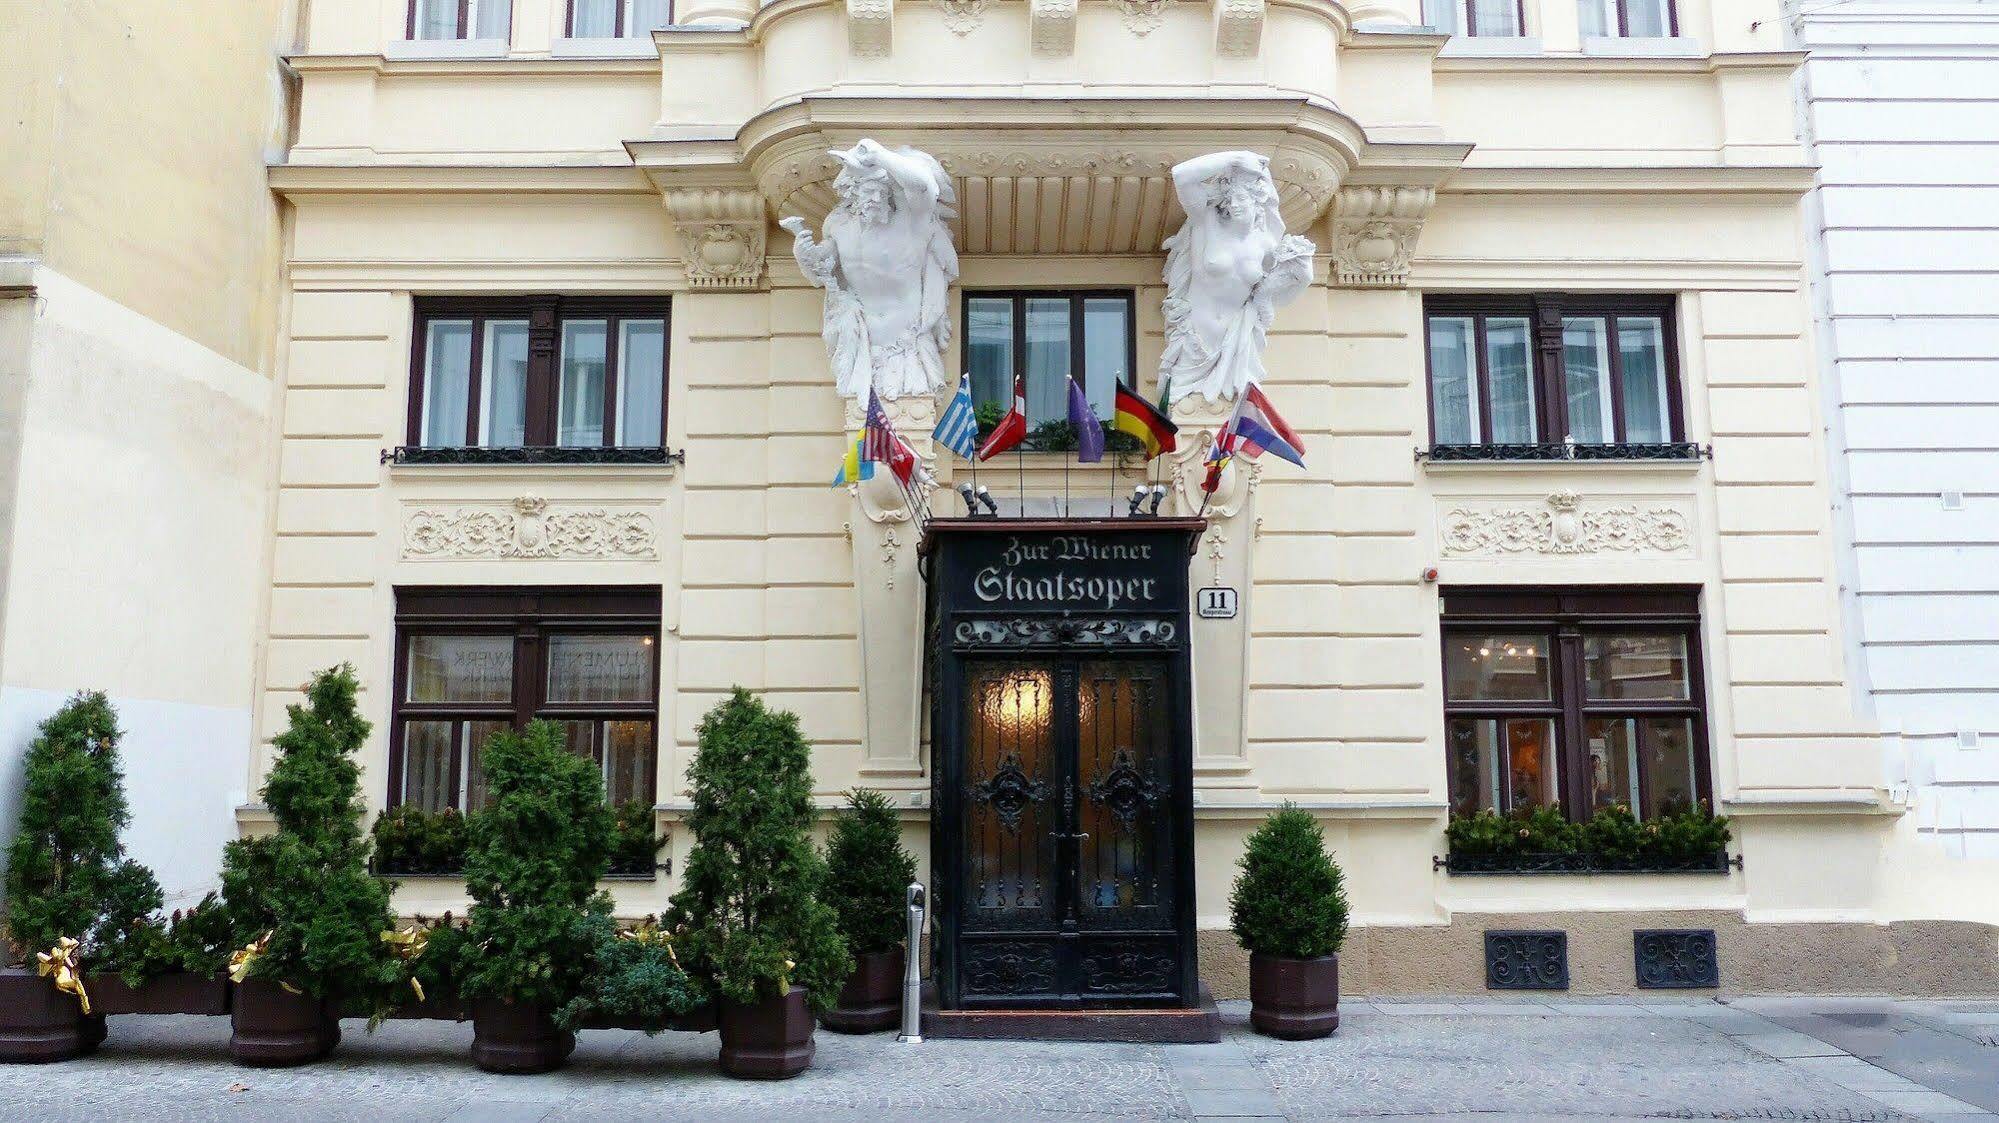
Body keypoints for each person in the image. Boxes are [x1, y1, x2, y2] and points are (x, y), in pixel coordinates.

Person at [1158, 151, 1316, 404]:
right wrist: (1233, 159)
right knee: (1180, 419)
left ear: (1257, 200)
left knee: (1236, 425)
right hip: (1194, 339)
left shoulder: (1267, 243)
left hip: (1238, 342)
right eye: (1230, 199)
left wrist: (1291, 284)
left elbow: (1288, 288)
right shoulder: (1206, 221)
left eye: (1241, 198)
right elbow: (1182, 176)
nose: (1234, 205)